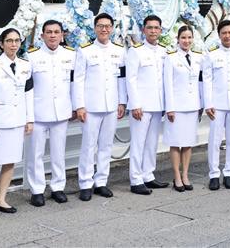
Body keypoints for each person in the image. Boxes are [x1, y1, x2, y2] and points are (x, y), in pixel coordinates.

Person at [74, 12, 127, 201]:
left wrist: (122, 102)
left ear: (112, 29)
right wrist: (79, 105)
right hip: (91, 106)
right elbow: (78, 80)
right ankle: (85, 183)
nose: (104, 29)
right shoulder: (85, 50)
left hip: (111, 105)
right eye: (100, 26)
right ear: (95, 28)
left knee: (106, 145)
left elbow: (122, 78)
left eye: (107, 26)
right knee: (88, 146)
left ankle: (101, 182)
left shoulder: (120, 50)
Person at [0, 28, 34, 217]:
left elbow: (28, 94)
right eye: (9, 41)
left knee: (10, 162)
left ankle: (2, 199)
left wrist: (29, 119)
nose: (13, 44)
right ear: (1, 44)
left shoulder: (25, 65)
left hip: (17, 121)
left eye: (16, 41)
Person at [25, 20, 75, 207]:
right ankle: (37, 190)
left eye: (56, 32)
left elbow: (74, 84)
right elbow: (27, 88)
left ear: (62, 35)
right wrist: (28, 115)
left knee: (58, 152)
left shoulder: (71, 55)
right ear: (42, 35)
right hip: (38, 113)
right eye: (49, 32)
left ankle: (57, 187)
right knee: (35, 153)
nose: (53, 35)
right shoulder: (32, 56)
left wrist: (76, 107)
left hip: (61, 111)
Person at [126, 14, 169, 195]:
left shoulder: (164, 51)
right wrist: (135, 104)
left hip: (157, 105)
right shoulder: (136, 51)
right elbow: (131, 79)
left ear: (160, 30)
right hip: (141, 106)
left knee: (152, 143)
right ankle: (135, 179)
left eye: (156, 28)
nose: (153, 31)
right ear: (143, 30)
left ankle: (148, 175)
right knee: (138, 143)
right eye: (149, 28)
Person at [163, 25, 205, 192]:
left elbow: (200, 83)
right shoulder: (171, 58)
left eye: (189, 38)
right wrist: (170, 108)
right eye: (183, 38)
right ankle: (177, 176)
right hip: (177, 107)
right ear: (178, 39)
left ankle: (185, 174)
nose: (186, 41)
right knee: (175, 143)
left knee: (188, 143)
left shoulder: (198, 57)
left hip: (192, 106)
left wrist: (201, 104)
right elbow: (168, 85)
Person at [203, 20, 230, 190]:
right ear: (219, 35)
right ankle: (213, 174)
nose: (227, 36)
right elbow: (207, 80)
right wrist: (208, 103)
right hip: (216, 105)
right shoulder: (211, 54)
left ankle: (228, 173)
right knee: (214, 141)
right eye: (224, 33)